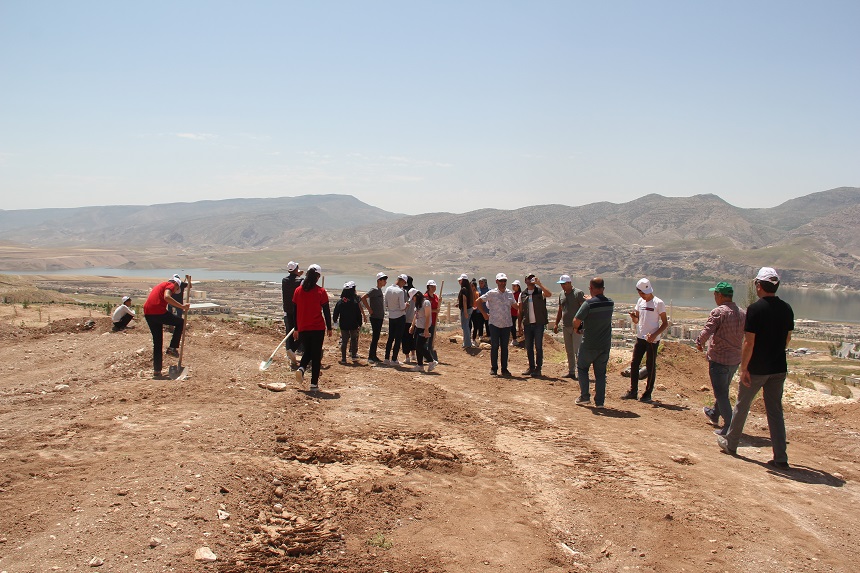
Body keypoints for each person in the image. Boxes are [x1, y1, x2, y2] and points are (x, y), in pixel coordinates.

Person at [717, 267, 794, 469]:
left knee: (742, 405)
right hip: (779, 368)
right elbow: (787, 338)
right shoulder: (787, 308)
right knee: (775, 411)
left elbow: (749, 342)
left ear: (758, 285)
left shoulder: (755, 309)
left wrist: (744, 368)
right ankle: (780, 456)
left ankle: (731, 444)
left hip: (758, 368)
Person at [696, 282, 746, 436]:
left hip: (719, 358)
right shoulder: (742, 313)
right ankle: (714, 414)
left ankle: (729, 426)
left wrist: (699, 342)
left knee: (721, 393)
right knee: (723, 388)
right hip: (735, 359)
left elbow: (707, 330)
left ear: (720, 295)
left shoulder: (719, 312)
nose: (714, 298)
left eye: (715, 294)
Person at [623, 278, 668, 403]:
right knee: (634, 363)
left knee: (650, 366)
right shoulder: (640, 301)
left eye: (643, 293)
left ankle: (647, 394)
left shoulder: (658, 303)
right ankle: (633, 391)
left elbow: (665, 324)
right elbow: (637, 320)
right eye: (640, 293)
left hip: (652, 340)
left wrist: (654, 335)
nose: (642, 295)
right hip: (640, 337)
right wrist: (634, 318)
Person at [573, 277, 614, 408]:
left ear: (591, 288)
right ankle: (600, 401)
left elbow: (576, 321)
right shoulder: (610, 303)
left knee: (582, 368)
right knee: (601, 374)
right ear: (603, 289)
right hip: (604, 344)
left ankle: (585, 396)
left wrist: (577, 329)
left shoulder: (588, 304)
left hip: (589, 343)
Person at [292, 264, 333, 391]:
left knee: (308, 351)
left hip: (303, 327)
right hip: (317, 327)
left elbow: (294, 310)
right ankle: (313, 384)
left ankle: (301, 368)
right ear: (317, 277)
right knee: (316, 355)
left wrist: (296, 328)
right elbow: (326, 311)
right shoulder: (321, 291)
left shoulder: (298, 291)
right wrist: (329, 327)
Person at [143, 275, 190, 379]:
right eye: (177, 289)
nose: (175, 291)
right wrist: (182, 307)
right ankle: (172, 347)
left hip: (148, 313)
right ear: (176, 284)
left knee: (158, 342)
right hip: (158, 311)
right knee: (180, 322)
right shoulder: (170, 285)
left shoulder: (160, 285)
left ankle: (157, 371)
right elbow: (167, 297)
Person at [476, 273, 518, 377]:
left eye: (504, 281)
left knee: (505, 347)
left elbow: (515, 306)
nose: (503, 283)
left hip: (507, 324)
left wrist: (524, 304)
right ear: (496, 281)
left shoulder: (509, 293)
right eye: (501, 281)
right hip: (494, 324)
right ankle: (494, 368)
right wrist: (484, 314)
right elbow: (478, 301)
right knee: (494, 346)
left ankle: (504, 369)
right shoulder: (491, 293)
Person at [518, 274, 551, 377]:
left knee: (538, 347)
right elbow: (520, 311)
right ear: (525, 281)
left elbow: (549, 294)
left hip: (538, 324)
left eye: (532, 278)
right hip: (527, 324)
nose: (530, 280)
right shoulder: (523, 294)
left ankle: (538, 368)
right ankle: (531, 367)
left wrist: (539, 284)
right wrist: (519, 325)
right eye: (529, 278)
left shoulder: (539, 292)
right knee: (529, 347)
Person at [554, 275, 586, 379]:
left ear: (569, 283)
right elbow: (560, 309)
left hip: (577, 326)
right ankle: (571, 371)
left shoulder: (578, 293)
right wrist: (556, 323)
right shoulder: (561, 294)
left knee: (577, 350)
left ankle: (580, 372)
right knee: (569, 350)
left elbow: (584, 309)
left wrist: (581, 325)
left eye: (564, 284)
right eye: (561, 284)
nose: (562, 286)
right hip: (566, 325)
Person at [333, 281, 364, 363]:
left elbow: (336, 312)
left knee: (344, 340)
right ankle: (353, 355)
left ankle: (343, 358)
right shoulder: (354, 302)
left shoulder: (341, 302)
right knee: (353, 339)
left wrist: (335, 321)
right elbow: (358, 314)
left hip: (343, 324)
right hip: (353, 324)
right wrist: (360, 323)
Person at [409, 288, 438, 372]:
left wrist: (426, 329)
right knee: (417, 346)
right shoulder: (418, 304)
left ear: (416, 295)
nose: (413, 300)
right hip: (418, 327)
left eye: (413, 298)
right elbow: (416, 315)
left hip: (424, 328)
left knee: (420, 346)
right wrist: (412, 325)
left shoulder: (426, 303)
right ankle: (420, 365)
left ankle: (431, 361)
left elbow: (428, 316)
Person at [360, 272, 387, 365]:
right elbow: (363, 298)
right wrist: (369, 309)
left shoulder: (379, 290)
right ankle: (371, 356)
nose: (385, 282)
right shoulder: (374, 290)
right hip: (375, 317)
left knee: (376, 337)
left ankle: (373, 355)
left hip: (379, 317)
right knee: (375, 337)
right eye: (384, 280)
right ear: (379, 280)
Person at [281, 261, 304, 368]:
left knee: (289, 333)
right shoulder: (300, 281)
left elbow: (292, 280)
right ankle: (299, 351)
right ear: (296, 269)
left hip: (287, 310)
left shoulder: (284, 281)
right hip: (298, 311)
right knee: (301, 331)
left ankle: (289, 353)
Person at [384, 274, 408, 365]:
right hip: (400, 317)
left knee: (390, 338)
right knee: (398, 339)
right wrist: (406, 305)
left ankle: (386, 358)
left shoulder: (388, 289)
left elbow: (385, 303)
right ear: (402, 281)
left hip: (391, 316)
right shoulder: (400, 291)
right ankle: (394, 359)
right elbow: (402, 307)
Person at [456, 274, 474, 348]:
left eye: (460, 280)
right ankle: (467, 341)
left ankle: (467, 343)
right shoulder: (469, 289)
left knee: (465, 326)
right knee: (466, 325)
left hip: (466, 309)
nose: (459, 282)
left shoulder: (463, 289)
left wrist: (465, 311)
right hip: (470, 308)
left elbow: (464, 301)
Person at [425, 279, 441, 361]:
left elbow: (437, 308)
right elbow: (424, 310)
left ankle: (430, 354)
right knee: (426, 338)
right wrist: (434, 310)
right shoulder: (425, 297)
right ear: (428, 287)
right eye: (432, 287)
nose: (434, 288)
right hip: (427, 320)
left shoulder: (435, 297)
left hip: (434, 320)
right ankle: (425, 355)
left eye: (434, 287)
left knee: (431, 339)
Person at [402, 276, 417, 363]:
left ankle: (407, 357)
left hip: (405, 318)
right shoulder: (416, 292)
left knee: (405, 338)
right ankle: (413, 354)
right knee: (412, 337)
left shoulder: (404, 292)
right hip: (414, 318)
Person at [510, 280, 522, 346]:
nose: (513, 287)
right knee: (512, 326)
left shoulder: (521, 295)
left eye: (514, 286)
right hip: (512, 313)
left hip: (518, 312)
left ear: (518, 286)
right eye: (513, 286)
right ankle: (514, 339)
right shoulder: (513, 294)